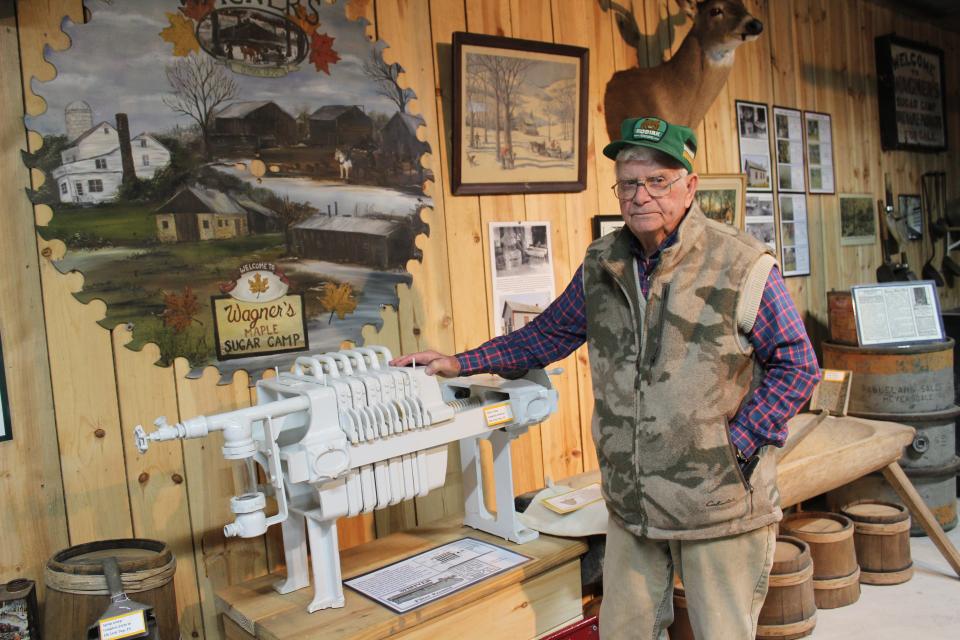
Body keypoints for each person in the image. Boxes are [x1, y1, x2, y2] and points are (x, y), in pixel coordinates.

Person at [391, 116, 820, 639]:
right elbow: (548, 334)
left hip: (718, 505)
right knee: (623, 632)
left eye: (657, 180)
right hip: (631, 501)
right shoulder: (604, 262)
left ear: (690, 185)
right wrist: (461, 362)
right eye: (628, 183)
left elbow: (797, 364)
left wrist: (737, 446)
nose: (640, 195)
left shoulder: (741, 264)